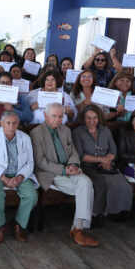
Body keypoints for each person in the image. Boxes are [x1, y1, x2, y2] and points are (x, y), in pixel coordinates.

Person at [31, 103, 98, 246]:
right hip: (50, 173)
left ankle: (77, 229)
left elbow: (73, 152)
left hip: (69, 170)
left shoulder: (66, 130)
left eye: (60, 116)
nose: (57, 120)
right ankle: (78, 230)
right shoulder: (36, 133)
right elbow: (39, 161)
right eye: (53, 116)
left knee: (86, 183)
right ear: (45, 115)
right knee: (86, 187)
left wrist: (73, 165)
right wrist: (63, 170)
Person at [0, 110, 38, 244]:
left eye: (14, 123)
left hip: (19, 173)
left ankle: (19, 224)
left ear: (18, 123)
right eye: (8, 123)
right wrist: (4, 178)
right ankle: (0, 226)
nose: (11, 126)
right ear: (1, 123)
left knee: (32, 196)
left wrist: (20, 177)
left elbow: (30, 162)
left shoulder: (25, 138)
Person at [72, 105, 132, 226]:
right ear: (83, 118)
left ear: (99, 118)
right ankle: (95, 214)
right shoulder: (77, 132)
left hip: (107, 165)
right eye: (88, 118)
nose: (92, 121)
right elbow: (80, 155)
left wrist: (107, 160)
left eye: (95, 117)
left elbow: (113, 150)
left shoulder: (106, 130)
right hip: (87, 166)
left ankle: (113, 212)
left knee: (123, 185)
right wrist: (101, 159)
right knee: (103, 184)